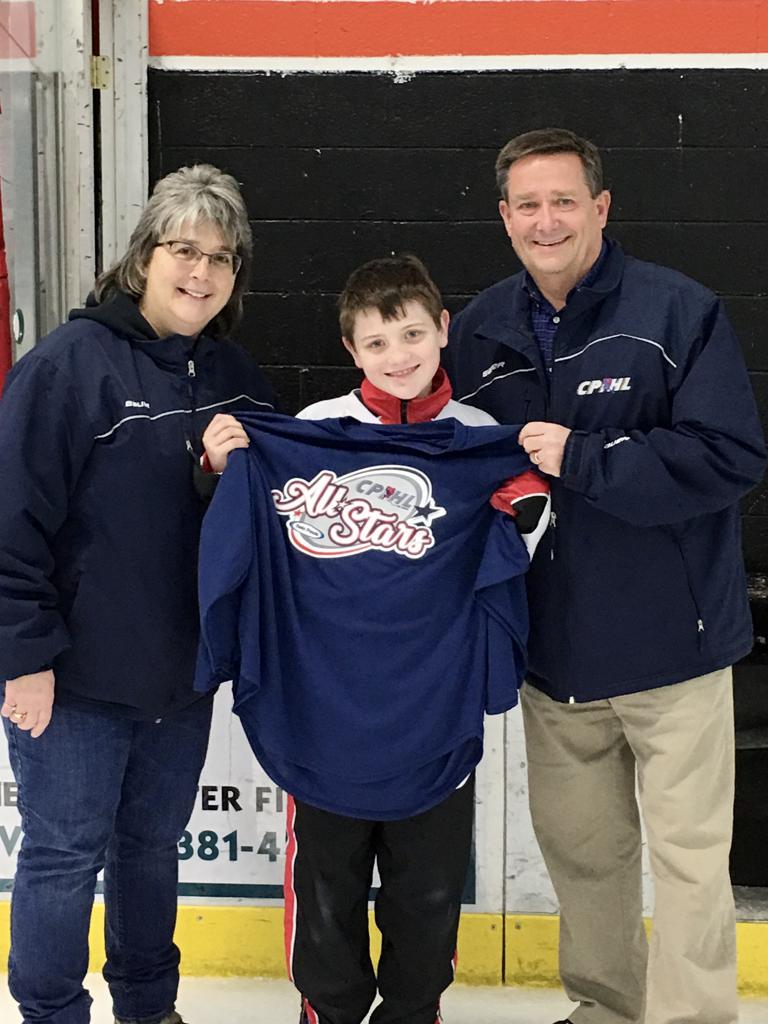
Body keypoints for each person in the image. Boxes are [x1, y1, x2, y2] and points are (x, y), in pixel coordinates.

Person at [444, 127, 767, 1024]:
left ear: (600, 207)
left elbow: (730, 456)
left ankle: (693, 1017)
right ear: (505, 217)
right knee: (584, 856)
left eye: (564, 201)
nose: (546, 221)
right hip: (556, 659)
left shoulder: (677, 311)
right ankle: (607, 1007)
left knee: (689, 860)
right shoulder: (478, 330)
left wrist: (587, 458)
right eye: (528, 205)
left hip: (675, 650)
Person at [198, 254, 549, 1024]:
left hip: (434, 711)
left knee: (427, 898)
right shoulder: (311, 432)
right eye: (378, 342)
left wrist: (521, 493)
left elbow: (519, 542)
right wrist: (225, 465)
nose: (399, 355)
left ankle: (415, 1014)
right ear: (351, 349)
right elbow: (248, 530)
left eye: (413, 334)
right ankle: (327, 1013)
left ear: (443, 330)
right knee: (326, 894)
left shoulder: (480, 437)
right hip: (323, 713)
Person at [0, 164, 274, 1024]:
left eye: (221, 258)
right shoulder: (67, 365)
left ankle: (150, 1008)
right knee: (62, 858)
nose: (201, 271)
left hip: (178, 680)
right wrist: (23, 659)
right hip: (73, 684)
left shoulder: (234, 377)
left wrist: (218, 476)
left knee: (152, 852)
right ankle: (50, 1014)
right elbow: (10, 522)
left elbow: (261, 517)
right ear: (143, 256)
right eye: (184, 250)